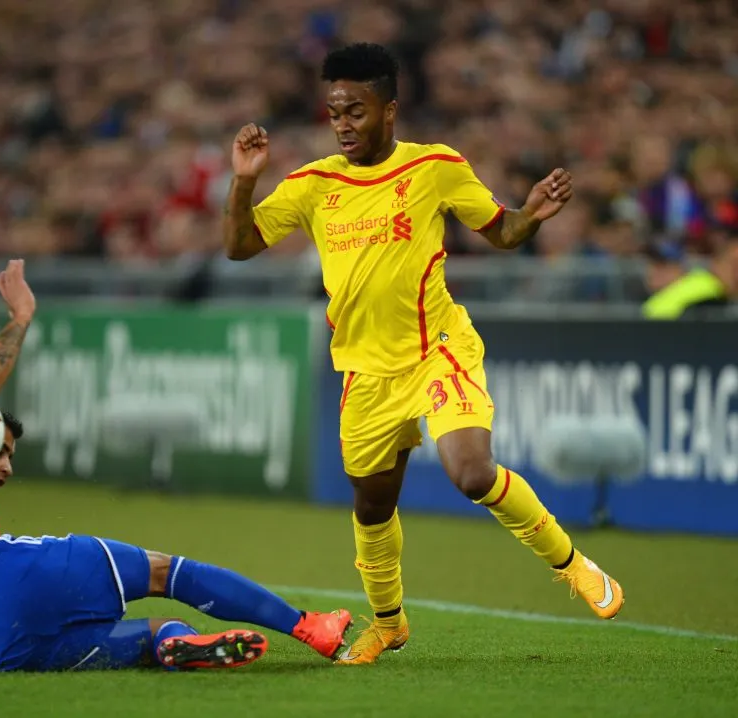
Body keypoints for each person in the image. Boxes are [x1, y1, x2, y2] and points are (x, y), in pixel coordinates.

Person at [222, 43, 624, 666]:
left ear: (389, 110)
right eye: (334, 113)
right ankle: (388, 623)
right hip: (364, 372)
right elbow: (240, 246)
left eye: (355, 110)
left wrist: (533, 215)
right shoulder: (312, 185)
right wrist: (244, 181)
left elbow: (503, 230)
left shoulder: (435, 166)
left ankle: (575, 566)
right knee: (373, 505)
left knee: (471, 472)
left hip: (438, 349)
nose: (343, 124)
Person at [0, 259, 352, 672]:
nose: (4, 468)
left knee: (145, 639)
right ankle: (310, 626)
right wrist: (21, 316)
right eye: (1, 453)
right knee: (162, 572)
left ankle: (182, 644)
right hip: (8, 575)